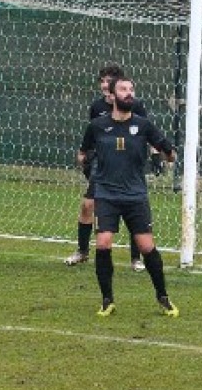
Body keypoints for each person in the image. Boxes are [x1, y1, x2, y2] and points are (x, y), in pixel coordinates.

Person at [77, 74, 178, 317]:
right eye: (123, 89)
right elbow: (82, 153)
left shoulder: (143, 125)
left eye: (131, 89)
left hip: (135, 195)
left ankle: (163, 297)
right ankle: (107, 300)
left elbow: (169, 152)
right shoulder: (97, 126)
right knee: (103, 242)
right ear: (111, 96)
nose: (129, 93)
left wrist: (167, 156)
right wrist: (91, 169)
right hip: (107, 194)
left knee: (146, 246)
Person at [65, 64, 150, 271]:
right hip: (102, 166)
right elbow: (93, 136)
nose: (104, 85)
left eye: (108, 81)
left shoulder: (135, 106)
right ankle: (82, 251)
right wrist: (88, 161)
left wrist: (154, 155)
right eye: (102, 81)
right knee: (87, 205)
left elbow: (146, 133)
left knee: (132, 207)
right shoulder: (96, 107)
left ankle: (135, 259)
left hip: (129, 166)